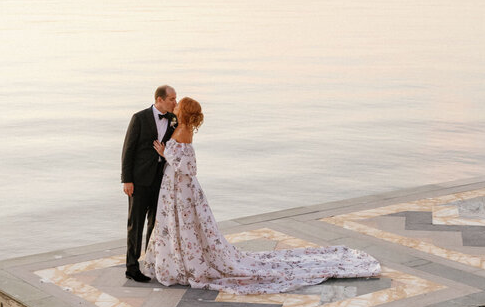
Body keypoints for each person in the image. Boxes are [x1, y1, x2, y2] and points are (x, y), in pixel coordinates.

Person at [145, 97, 380, 293]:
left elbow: (190, 167)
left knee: (186, 225)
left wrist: (167, 153)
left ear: (183, 113)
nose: (174, 107)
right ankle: (176, 261)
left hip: (182, 189)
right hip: (173, 187)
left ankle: (186, 264)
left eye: (178, 105)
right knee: (177, 225)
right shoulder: (180, 126)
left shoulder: (184, 131)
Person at [120, 86, 178, 283]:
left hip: (161, 180)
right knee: (135, 224)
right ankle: (132, 267)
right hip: (138, 181)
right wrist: (127, 180)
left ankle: (151, 262)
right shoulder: (139, 118)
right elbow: (128, 150)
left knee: (155, 223)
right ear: (159, 99)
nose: (175, 103)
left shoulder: (173, 120)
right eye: (171, 99)